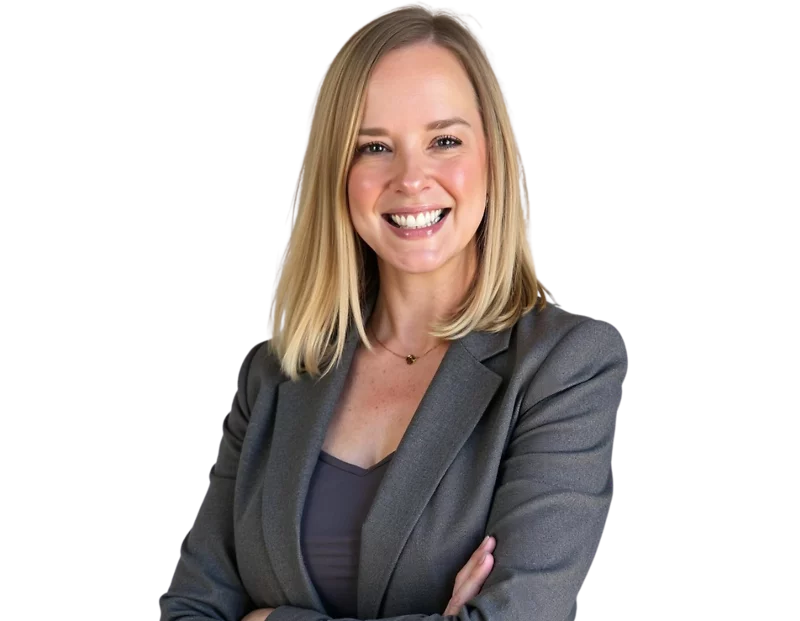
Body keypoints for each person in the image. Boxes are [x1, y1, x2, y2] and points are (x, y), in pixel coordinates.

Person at [160, 2, 628, 620]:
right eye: (375, 145)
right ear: (338, 172)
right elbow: (186, 610)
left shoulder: (562, 367)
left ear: (492, 155)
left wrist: (270, 619)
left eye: (444, 140)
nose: (411, 178)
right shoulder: (275, 374)